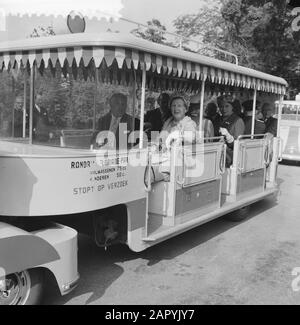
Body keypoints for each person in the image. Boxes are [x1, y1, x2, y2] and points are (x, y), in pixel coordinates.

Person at [153, 95, 197, 181]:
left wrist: (178, 135)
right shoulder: (168, 122)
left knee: (150, 176)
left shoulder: (189, 123)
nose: (176, 108)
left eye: (179, 106)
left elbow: (192, 137)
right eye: (173, 106)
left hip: (179, 163)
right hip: (163, 157)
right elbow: (161, 138)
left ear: (186, 109)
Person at [219, 101, 245, 167]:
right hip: (218, 154)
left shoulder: (237, 121)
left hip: (230, 158)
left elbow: (237, 144)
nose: (224, 109)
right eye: (221, 106)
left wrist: (228, 136)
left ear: (232, 107)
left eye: (227, 106)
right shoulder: (218, 119)